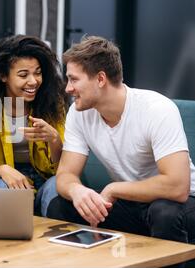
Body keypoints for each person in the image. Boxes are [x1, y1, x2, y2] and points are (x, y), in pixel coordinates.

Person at [47, 36, 195, 244]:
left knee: (164, 213)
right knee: (61, 206)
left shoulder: (156, 109)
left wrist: (114, 189)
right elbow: (65, 175)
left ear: (100, 79)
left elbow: (177, 187)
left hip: (181, 204)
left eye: (74, 79)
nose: (68, 88)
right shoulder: (79, 113)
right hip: (132, 202)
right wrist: (77, 191)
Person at [0, 35, 68, 216]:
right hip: (9, 183)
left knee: (58, 184)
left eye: (38, 73)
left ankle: (55, 241)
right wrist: (1, 171)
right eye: (23, 75)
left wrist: (54, 139)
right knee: (0, 185)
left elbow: (65, 167)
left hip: (46, 181)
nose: (33, 81)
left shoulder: (53, 104)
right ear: (3, 76)